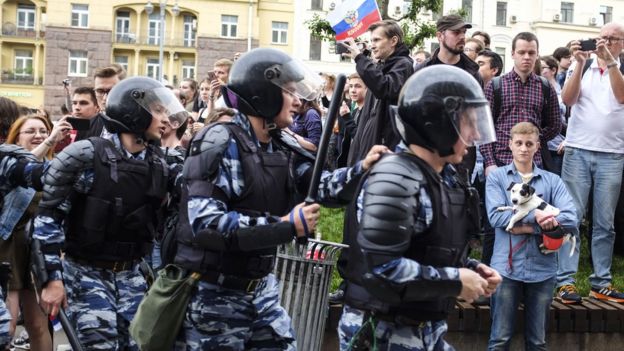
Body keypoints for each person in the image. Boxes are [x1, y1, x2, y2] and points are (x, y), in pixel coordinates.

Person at [171, 47, 388, 350]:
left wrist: (363, 170)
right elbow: (207, 226)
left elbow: (321, 187)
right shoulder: (220, 140)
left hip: (261, 290)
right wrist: (285, 225)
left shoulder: (280, 143)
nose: (298, 100)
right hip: (215, 296)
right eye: (288, 91)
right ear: (263, 94)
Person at [337, 65, 501, 350]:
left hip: (426, 330)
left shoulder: (443, 178)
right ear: (438, 123)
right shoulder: (394, 180)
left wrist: (470, 268)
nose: (475, 133)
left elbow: (425, 249)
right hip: (382, 333)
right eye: (468, 122)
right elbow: (381, 271)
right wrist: (455, 281)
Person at [32, 76, 187, 349]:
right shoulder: (85, 156)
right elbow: (48, 219)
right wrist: (52, 279)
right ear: (133, 111)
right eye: (158, 111)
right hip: (85, 273)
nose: (166, 119)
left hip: (132, 276)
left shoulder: (162, 163)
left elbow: (196, 190)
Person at [486, 122, 577, 350]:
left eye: (529, 143)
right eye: (519, 143)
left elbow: (571, 218)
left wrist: (529, 226)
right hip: (506, 270)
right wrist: (539, 217)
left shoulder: (552, 180)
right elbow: (495, 218)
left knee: (537, 342)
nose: (524, 148)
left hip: (542, 270)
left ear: (537, 146)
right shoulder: (497, 178)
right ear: (510, 145)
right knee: (499, 340)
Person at [557, 22, 624, 304]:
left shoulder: (620, 67)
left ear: (622, 43)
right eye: (602, 37)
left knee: (605, 223)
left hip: (612, 153)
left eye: (612, 38)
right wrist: (579, 62)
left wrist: (610, 64)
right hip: (577, 150)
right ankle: (566, 281)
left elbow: (621, 96)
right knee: (571, 218)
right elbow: (568, 99)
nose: (605, 42)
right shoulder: (580, 65)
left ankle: (601, 282)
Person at [1, 114, 70, 350]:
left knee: (38, 324)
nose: (38, 135)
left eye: (43, 130)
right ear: (16, 137)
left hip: (38, 252)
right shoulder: (7, 160)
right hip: (7, 251)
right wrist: (50, 140)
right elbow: (26, 170)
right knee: (6, 326)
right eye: (31, 131)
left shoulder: (58, 166)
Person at [480, 32, 561, 177]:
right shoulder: (496, 85)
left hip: (534, 163)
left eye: (531, 53)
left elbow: (555, 125)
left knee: (533, 200)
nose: (527, 57)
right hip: (501, 162)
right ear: (512, 54)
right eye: (522, 52)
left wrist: (535, 138)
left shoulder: (545, 87)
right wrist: (490, 162)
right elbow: (485, 128)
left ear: (537, 55)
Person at [341, 19, 414, 166]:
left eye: (377, 40)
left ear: (393, 40)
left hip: (383, 152)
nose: (372, 45)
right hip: (368, 150)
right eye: (371, 40)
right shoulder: (381, 65)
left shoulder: (404, 65)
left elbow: (385, 87)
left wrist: (359, 59)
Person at [75, 65, 124, 141]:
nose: (105, 98)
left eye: (111, 91)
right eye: (100, 91)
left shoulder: (138, 127)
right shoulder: (86, 128)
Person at [540, 55, 566, 175]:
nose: (539, 70)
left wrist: (568, 140)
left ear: (553, 70)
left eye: (542, 68)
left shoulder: (563, 91)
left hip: (557, 146)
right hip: (539, 147)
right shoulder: (536, 88)